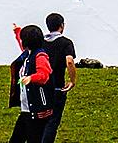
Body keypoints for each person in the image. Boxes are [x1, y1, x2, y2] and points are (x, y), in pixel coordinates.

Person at [9, 24, 54, 143]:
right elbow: (21, 44)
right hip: (27, 110)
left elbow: (44, 75)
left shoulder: (40, 56)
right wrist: (17, 31)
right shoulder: (28, 53)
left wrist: (31, 78)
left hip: (37, 111)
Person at [41, 13, 77, 143]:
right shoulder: (66, 43)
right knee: (53, 121)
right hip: (57, 87)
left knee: (40, 120)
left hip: (41, 86)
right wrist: (72, 81)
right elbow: (69, 61)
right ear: (62, 26)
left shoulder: (40, 42)